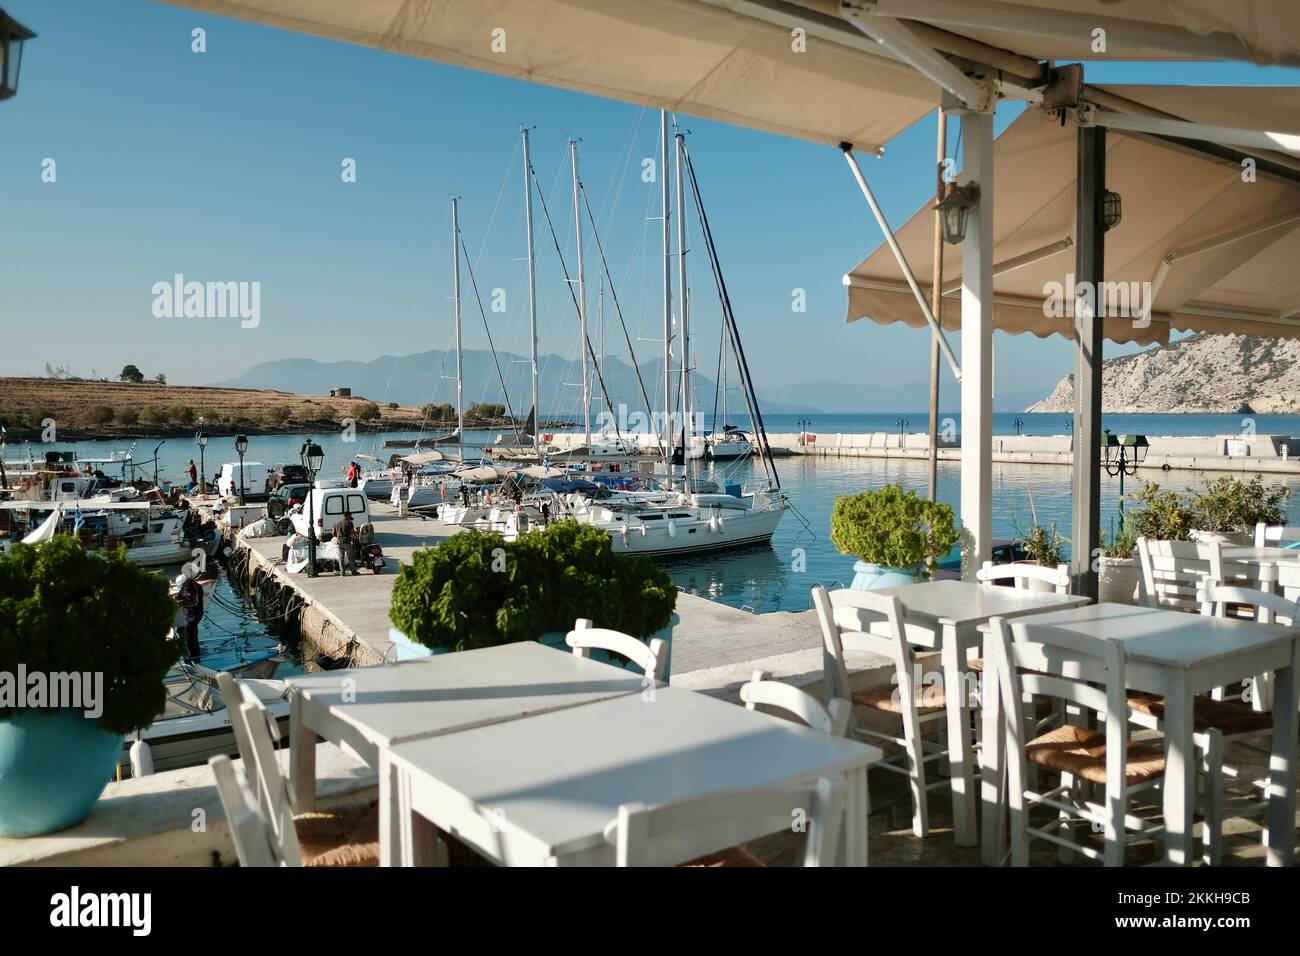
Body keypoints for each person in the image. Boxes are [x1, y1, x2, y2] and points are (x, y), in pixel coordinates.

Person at [175, 568, 204, 662]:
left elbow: (197, 604)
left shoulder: (196, 588)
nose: (183, 586)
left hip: (195, 614)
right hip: (187, 614)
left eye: (183, 584)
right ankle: (195, 654)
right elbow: (180, 594)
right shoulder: (184, 587)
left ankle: (194, 656)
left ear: (186, 581)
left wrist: (183, 604)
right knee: (192, 633)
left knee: (189, 633)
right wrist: (177, 598)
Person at [333, 510, 358, 576]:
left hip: (339, 542)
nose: (351, 517)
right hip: (347, 542)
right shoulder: (349, 523)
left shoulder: (337, 523)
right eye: (350, 516)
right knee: (351, 557)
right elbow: (353, 532)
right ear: (348, 516)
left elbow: (333, 533)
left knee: (341, 557)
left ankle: (342, 572)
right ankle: (353, 571)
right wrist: (356, 533)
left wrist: (338, 536)